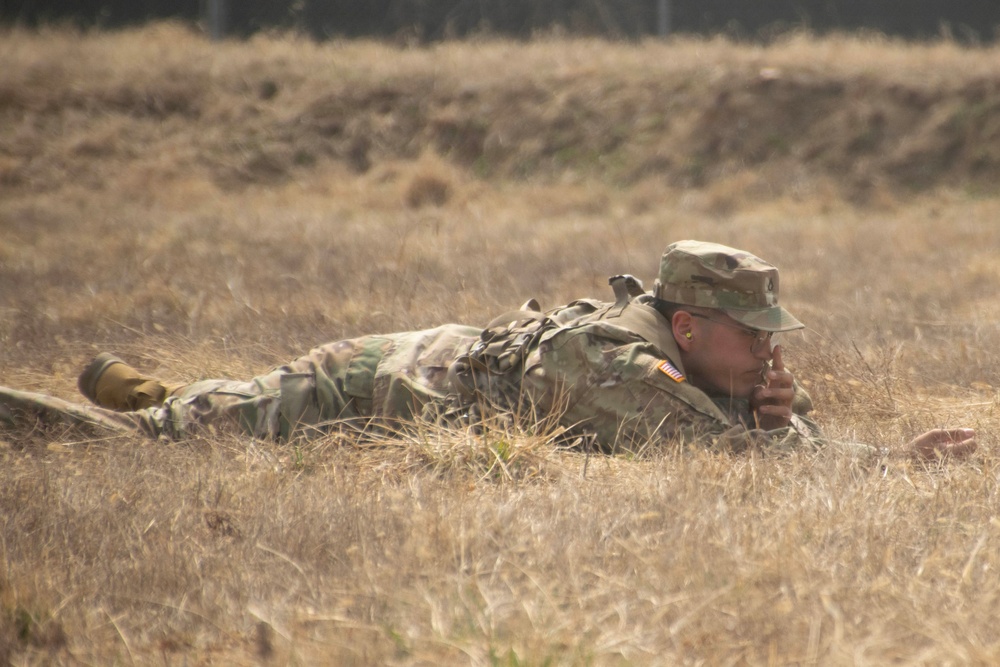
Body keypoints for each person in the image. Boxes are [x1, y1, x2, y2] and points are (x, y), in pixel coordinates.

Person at [0, 240, 977, 460]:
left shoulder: (679, 360)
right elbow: (721, 466)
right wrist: (877, 458)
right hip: (383, 385)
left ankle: (155, 389)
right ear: (687, 327)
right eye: (750, 332)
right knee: (159, 447)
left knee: (221, 406)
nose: (766, 346)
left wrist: (775, 410)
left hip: (430, 361)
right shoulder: (619, 366)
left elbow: (747, 441)